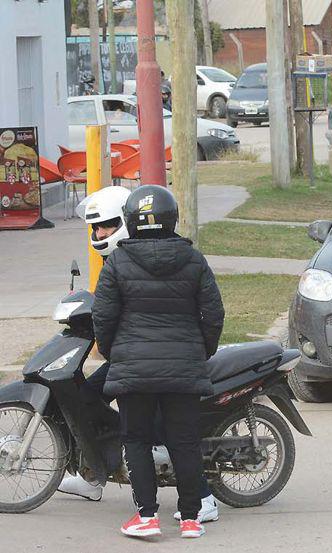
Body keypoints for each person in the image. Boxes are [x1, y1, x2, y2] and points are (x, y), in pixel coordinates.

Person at [59, 187, 221, 523]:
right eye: (97, 227)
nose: (100, 233)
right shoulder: (193, 258)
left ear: (129, 221)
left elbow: (104, 316)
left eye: (107, 225)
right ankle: (189, 516)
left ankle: (153, 513)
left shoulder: (119, 260)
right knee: (183, 440)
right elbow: (213, 314)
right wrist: (199, 352)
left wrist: (112, 350)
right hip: (179, 364)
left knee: (143, 438)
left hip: (135, 365)